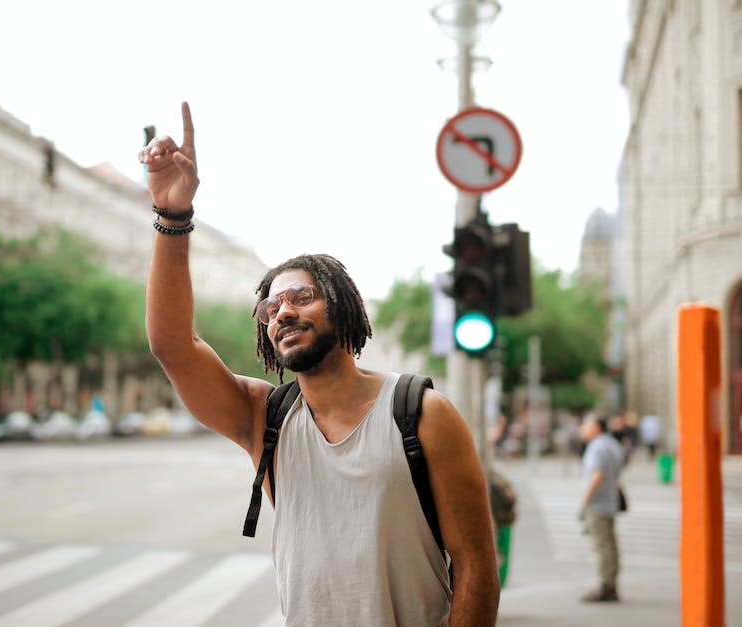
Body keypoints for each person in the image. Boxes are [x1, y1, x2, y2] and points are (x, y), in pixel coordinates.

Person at [139, 102, 500, 626]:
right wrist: (173, 217)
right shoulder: (264, 418)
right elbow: (172, 345)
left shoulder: (423, 415)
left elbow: (475, 567)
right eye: (271, 307)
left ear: (344, 306)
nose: (283, 311)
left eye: (302, 296)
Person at [578, 415, 626, 602]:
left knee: (602, 546)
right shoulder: (613, 444)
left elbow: (597, 475)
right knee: (610, 544)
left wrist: (585, 501)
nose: (583, 429)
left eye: (586, 425)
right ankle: (611, 581)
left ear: (597, 427)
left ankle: (606, 586)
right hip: (610, 500)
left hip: (598, 504)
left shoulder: (597, 447)